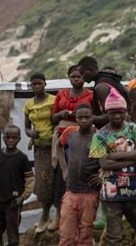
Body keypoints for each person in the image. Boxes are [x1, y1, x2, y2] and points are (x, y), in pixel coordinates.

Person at [89, 88, 136, 246]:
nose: (117, 116)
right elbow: (104, 163)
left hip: (134, 192)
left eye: (120, 111)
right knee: (114, 238)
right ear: (107, 113)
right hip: (111, 195)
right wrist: (133, 158)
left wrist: (117, 156)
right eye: (112, 112)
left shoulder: (132, 129)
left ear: (126, 111)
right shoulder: (100, 135)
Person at [57, 104, 100, 246]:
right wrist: (64, 168)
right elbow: (58, 146)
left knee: (85, 232)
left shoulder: (98, 137)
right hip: (71, 191)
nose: (83, 120)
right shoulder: (70, 134)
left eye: (86, 117)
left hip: (90, 193)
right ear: (75, 118)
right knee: (66, 233)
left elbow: (107, 159)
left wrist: (102, 175)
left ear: (92, 118)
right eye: (80, 117)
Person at [0, 125, 33, 246]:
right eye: (8, 137)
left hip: (13, 203)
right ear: (3, 138)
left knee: (13, 235)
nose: (11, 140)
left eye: (14, 138)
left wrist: (22, 198)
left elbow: (30, 180)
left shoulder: (22, 158)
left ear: (19, 139)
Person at [23, 72, 57, 232]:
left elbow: (57, 121)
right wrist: (31, 134)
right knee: (43, 182)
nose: (37, 87)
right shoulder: (29, 104)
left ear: (45, 84)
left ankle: (58, 215)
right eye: (34, 84)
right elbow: (27, 127)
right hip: (39, 148)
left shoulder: (53, 100)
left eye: (39, 84)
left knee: (56, 180)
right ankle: (44, 215)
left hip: (54, 146)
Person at [78, 56, 131, 128]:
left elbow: (110, 115)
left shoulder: (101, 87)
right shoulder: (110, 79)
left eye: (82, 74)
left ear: (90, 70)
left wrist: (89, 118)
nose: (81, 78)